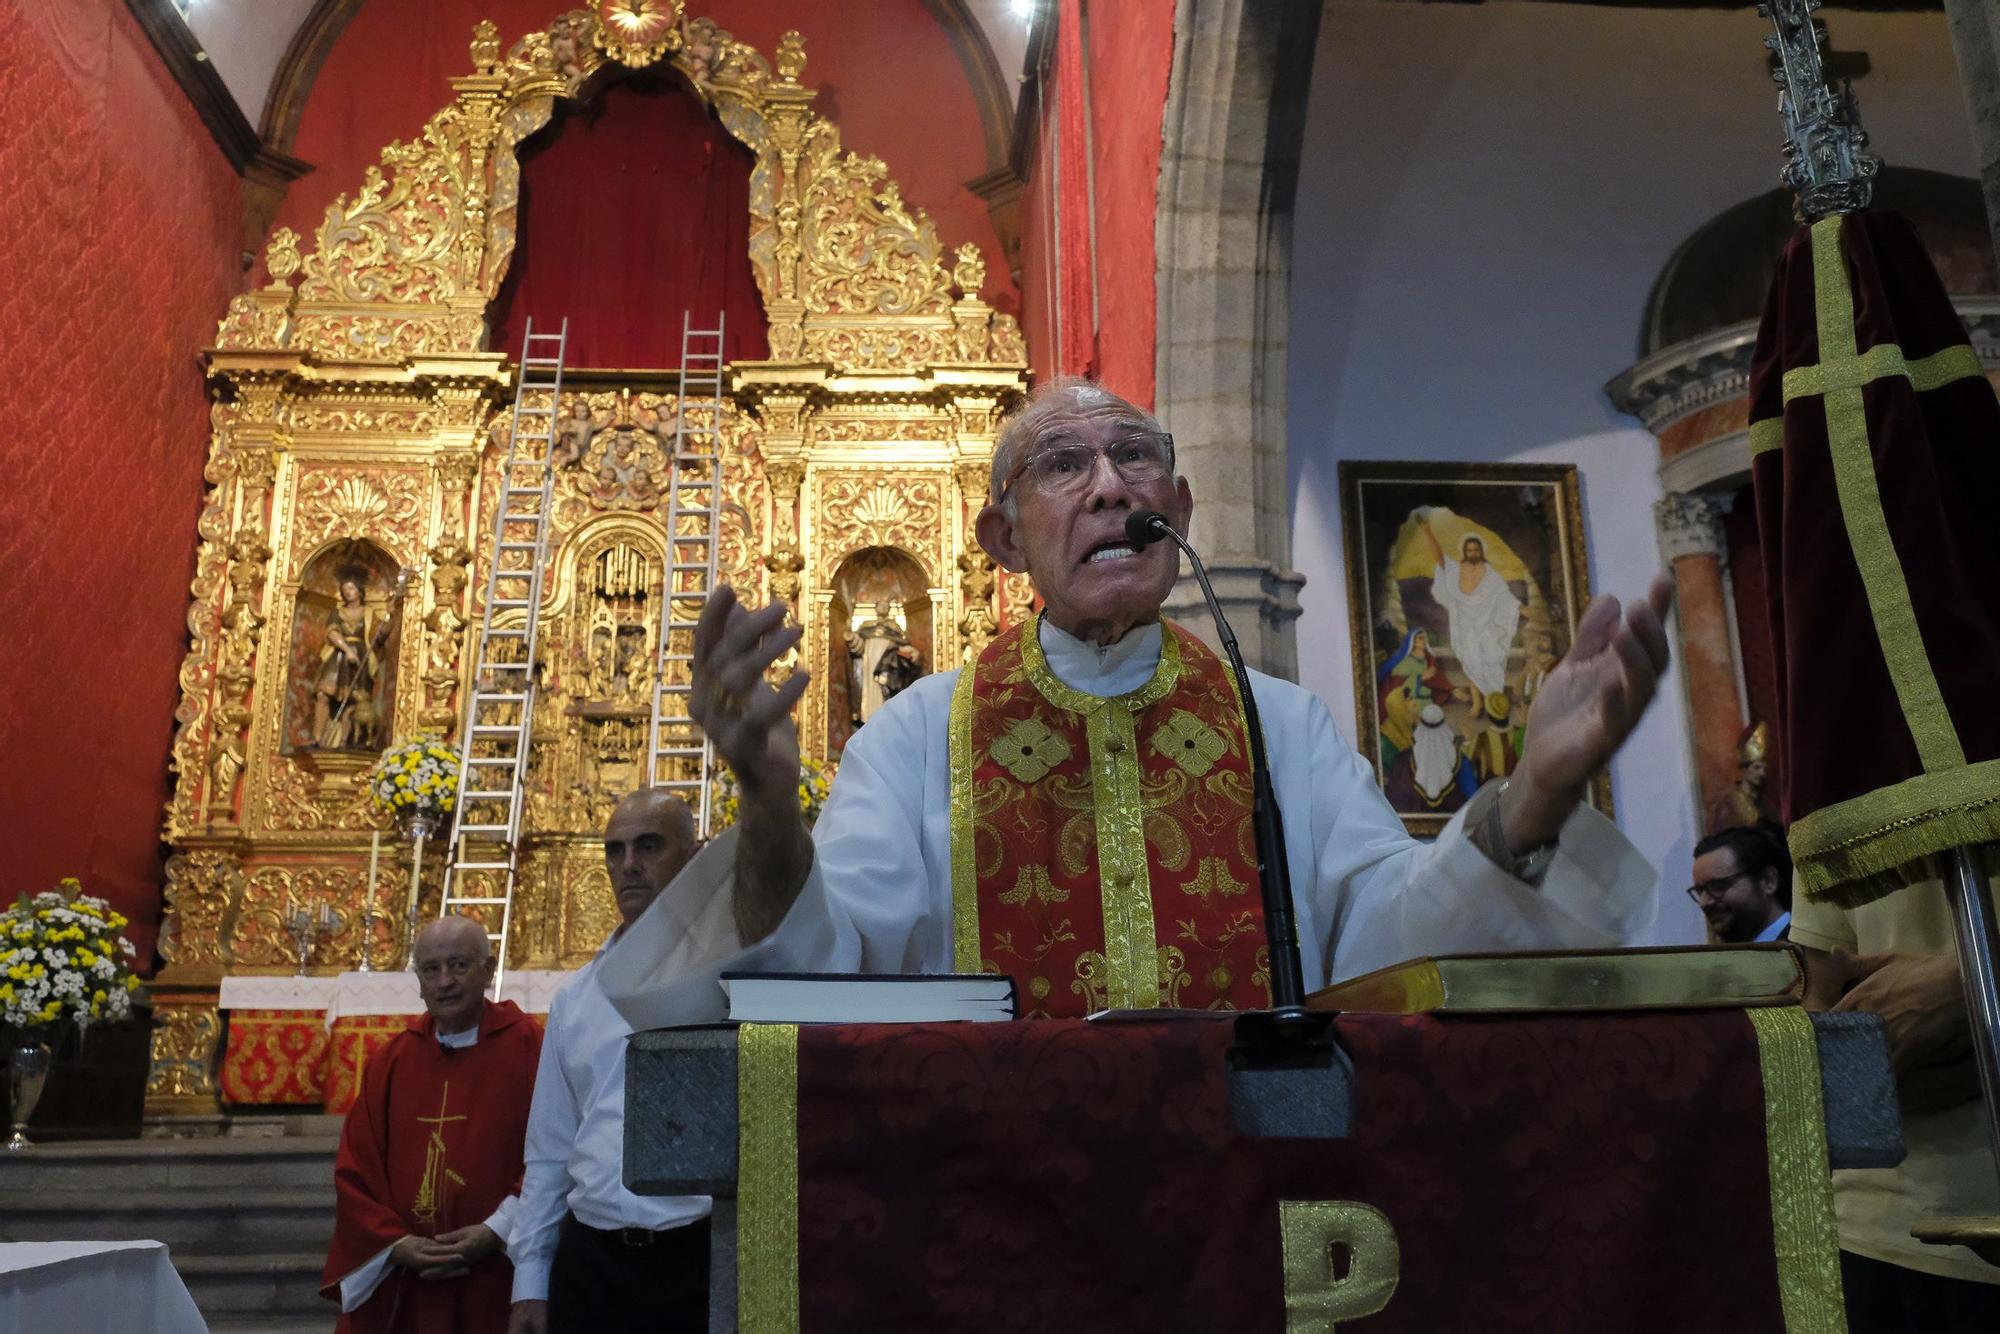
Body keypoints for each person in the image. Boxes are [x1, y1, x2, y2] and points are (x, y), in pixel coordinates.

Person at [598, 378, 1673, 1025]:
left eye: (1136, 459)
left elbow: (1390, 945)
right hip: (1001, 1194)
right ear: (1002, 538)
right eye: (1062, 463)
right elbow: (832, 972)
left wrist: (1530, 795)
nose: (1111, 484)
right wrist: (770, 803)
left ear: (1179, 506)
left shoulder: (1278, 725)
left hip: (1249, 1191)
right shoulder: (917, 736)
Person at [507, 789, 706, 1334]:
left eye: (648, 846)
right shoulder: (576, 998)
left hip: (698, 1254)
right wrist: (530, 1277)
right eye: (615, 851)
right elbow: (550, 1149)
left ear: (692, 857)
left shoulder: (730, 979)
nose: (630, 866)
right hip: (592, 1260)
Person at [321, 916, 541, 1334]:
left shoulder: (530, 1047)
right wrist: (397, 1243)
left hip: (498, 1274)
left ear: (489, 970)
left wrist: (496, 1231)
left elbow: (554, 1155)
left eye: (459, 965)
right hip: (406, 1279)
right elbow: (356, 1170)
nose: (445, 981)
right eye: (431, 969)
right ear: (418, 979)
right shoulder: (392, 1061)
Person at [1797, 881, 2000, 1330]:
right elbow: (1821, 982)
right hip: (1878, 1222)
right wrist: (1868, 1085)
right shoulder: (1825, 806)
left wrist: (1973, 983)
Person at [1418, 518, 1523, 703]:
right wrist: (1427, 531)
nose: (1472, 553)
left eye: (1475, 550)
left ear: (1481, 551)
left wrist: (1521, 608)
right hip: (1465, 625)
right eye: (1469, 550)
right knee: (1471, 661)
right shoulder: (1457, 569)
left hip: (1487, 624)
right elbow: (1440, 557)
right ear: (1464, 552)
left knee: (1491, 658)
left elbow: (1504, 596)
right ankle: (1477, 702)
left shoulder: (1489, 572)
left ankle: (1493, 699)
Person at [313, 574, 391, 749]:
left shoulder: (369, 613)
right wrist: (347, 650)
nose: (348, 592)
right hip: (338, 656)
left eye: (351, 588)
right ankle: (317, 738)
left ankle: (343, 741)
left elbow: (379, 636)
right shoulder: (337, 613)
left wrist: (389, 619)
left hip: (361, 658)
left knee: (353, 701)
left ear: (359, 591)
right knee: (322, 694)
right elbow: (332, 633)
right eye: (345, 589)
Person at [1687, 823, 1791, 943]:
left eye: (1718, 885)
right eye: (1700, 891)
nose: (1704, 903)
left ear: (1768, 881)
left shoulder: (1807, 949)